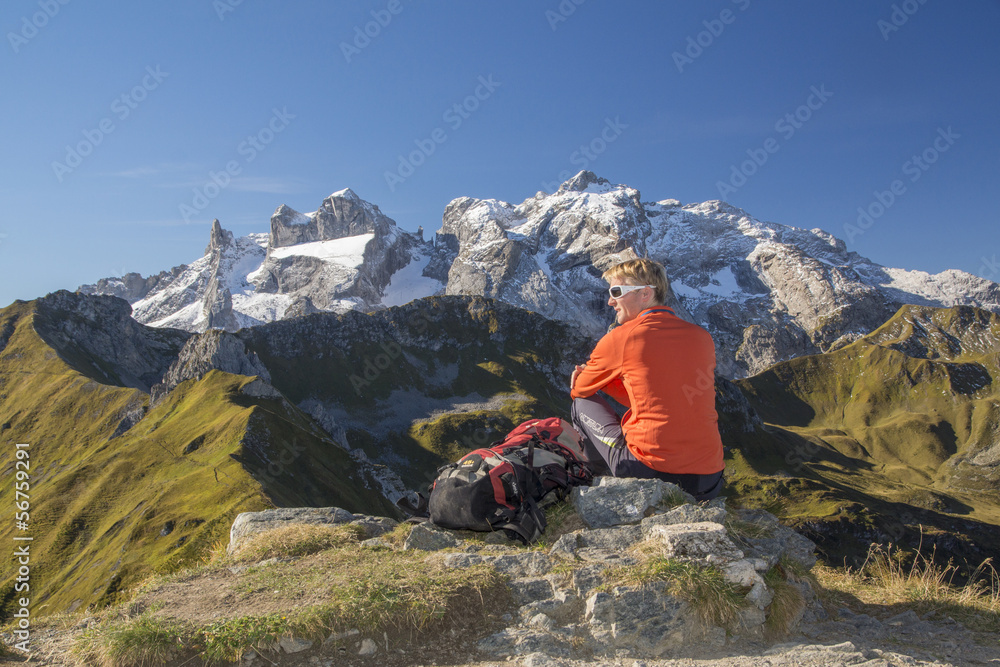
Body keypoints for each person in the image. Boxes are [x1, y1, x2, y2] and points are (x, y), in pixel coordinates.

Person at [570, 258, 725, 500]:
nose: (610, 301)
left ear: (645, 294)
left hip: (651, 473)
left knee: (581, 404)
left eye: (616, 292)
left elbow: (580, 388)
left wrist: (605, 382)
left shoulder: (623, 336)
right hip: (709, 480)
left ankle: (599, 484)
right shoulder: (702, 337)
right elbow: (664, 395)